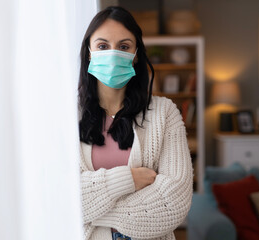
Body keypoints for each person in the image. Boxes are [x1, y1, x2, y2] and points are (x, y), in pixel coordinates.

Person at [78, 6, 193, 240]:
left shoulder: (164, 113)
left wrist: (88, 210)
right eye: (102, 46)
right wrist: (129, 180)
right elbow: (57, 194)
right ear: (89, 52)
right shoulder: (67, 116)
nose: (113, 54)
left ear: (136, 54)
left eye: (123, 46)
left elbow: (174, 203)